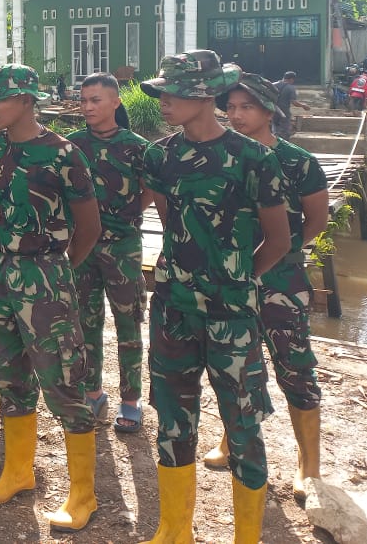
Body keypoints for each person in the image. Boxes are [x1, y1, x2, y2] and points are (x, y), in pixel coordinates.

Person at [138, 51, 291, 544]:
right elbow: (169, 224)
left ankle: (247, 537)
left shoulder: (254, 158)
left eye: (173, 93)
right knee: (172, 419)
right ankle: (173, 529)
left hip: (232, 317)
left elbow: (280, 239)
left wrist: (238, 280)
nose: (163, 101)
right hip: (171, 310)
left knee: (243, 426)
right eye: (160, 92)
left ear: (205, 96)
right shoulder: (159, 156)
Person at [0, 64, 102, 532]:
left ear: (26, 100)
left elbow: (89, 227)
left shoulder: (63, 153)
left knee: (64, 381)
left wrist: (56, 268)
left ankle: (82, 495)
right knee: (8, 375)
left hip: (46, 274)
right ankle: (18, 472)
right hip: (1, 271)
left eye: (1, 99)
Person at [213, 72, 329, 502]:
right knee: (234, 366)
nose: (236, 115)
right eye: (232, 107)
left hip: (281, 280)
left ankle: (308, 464)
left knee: (294, 366)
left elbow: (317, 220)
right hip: (230, 277)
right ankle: (233, 441)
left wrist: (285, 254)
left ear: (268, 111)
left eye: (247, 107)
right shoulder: (222, 157)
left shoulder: (297, 161)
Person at [68, 72, 151, 434]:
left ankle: (131, 400)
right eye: (83, 100)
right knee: (85, 322)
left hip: (123, 247)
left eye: (95, 100)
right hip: (83, 246)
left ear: (116, 102)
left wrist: (126, 214)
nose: (86, 106)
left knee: (128, 324)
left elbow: (149, 191)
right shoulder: (71, 144)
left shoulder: (137, 146)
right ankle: (93, 392)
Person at [272, 71, 310, 139]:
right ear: (292, 79)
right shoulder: (290, 88)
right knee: (285, 132)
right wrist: (303, 106)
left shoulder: (273, 85)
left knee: (274, 129)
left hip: (273, 110)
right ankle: (283, 146)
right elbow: (294, 102)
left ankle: (273, 144)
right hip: (284, 112)